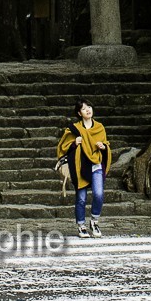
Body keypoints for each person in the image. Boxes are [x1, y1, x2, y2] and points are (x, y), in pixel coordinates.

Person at [56, 99, 111, 237]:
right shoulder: (74, 129)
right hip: (79, 166)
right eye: (84, 108)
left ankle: (94, 221)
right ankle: (81, 225)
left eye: (89, 106)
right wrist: (74, 143)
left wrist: (104, 147)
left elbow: (106, 145)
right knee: (81, 198)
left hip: (96, 164)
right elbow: (62, 147)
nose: (88, 110)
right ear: (79, 113)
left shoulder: (99, 127)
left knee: (99, 194)